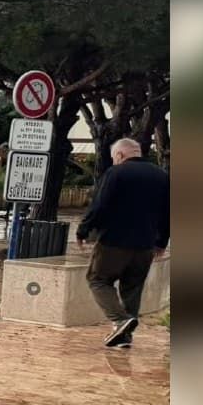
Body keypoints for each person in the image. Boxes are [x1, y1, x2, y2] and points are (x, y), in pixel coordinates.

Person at [75, 137, 170, 347]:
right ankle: (124, 338)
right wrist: (162, 242)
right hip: (145, 244)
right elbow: (168, 212)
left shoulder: (116, 173)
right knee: (132, 288)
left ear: (119, 155)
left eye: (113, 158)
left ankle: (120, 321)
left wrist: (84, 229)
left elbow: (100, 205)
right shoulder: (163, 176)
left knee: (97, 279)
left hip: (114, 241)